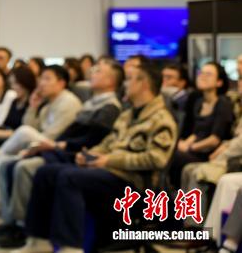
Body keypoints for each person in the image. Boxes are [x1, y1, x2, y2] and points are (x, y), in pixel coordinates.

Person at [15, 61, 177, 253]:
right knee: (46, 172)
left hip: (135, 182)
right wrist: (89, 156)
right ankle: (38, 240)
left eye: (129, 79)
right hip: (110, 172)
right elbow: (108, 143)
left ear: (144, 84)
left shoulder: (162, 119)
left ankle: (71, 247)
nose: (125, 84)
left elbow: (157, 159)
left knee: (69, 177)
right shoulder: (128, 115)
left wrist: (108, 160)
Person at [0, 59, 123, 248]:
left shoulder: (109, 107)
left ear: (111, 81)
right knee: (11, 164)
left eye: (98, 71)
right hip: (67, 150)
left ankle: (28, 230)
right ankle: (23, 228)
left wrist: (58, 146)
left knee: (28, 167)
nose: (92, 73)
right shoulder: (90, 104)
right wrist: (34, 108)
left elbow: (92, 139)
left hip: (76, 153)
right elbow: (51, 130)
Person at [0, 65, 82, 224]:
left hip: (56, 147)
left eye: (47, 79)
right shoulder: (48, 104)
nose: (41, 83)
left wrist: (28, 146)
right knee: (5, 159)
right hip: (42, 143)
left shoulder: (68, 102)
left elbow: (49, 136)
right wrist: (33, 107)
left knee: (23, 133)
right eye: (41, 79)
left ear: (61, 83)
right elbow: (31, 127)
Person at [170, 62, 233, 187]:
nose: (202, 76)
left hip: (210, 153)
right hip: (196, 149)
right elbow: (196, 132)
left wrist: (190, 147)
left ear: (219, 82)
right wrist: (183, 143)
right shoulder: (199, 102)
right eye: (201, 73)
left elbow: (214, 139)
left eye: (208, 74)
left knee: (174, 157)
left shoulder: (223, 103)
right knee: (170, 151)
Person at [0, 64, 35, 153]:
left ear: (25, 82)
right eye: (12, 83)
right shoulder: (15, 101)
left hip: (17, 144)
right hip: (6, 140)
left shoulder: (30, 103)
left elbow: (25, 129)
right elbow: (5, 124)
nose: (13, 87)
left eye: (16, 83)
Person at [161, 62, 191, 132]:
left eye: (169, 77)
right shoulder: (162, 98)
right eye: (163, 76)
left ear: (182, 83)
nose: (163, 80)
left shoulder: (186, 102)